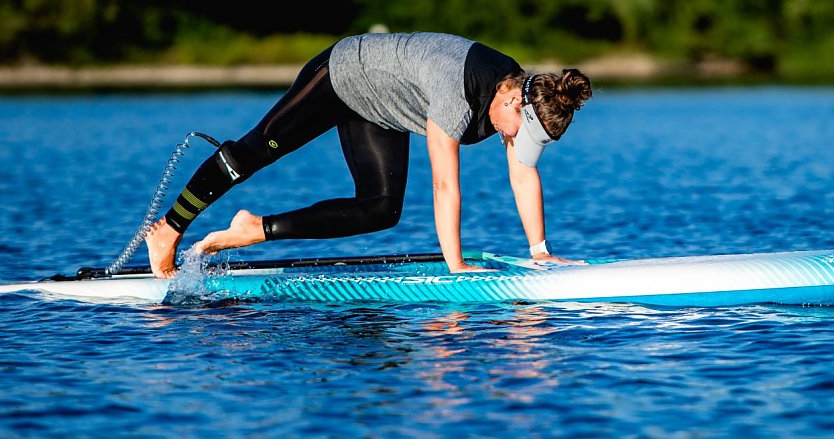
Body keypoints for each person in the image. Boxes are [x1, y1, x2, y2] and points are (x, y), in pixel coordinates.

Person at [145, 32, 592, 279]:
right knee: (254, 152)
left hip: (382, 107)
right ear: (515, 103)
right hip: (343, 74)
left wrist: (541, 252)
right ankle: (169, 227)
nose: (513, 142)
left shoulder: (517, 94)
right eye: (519, 133)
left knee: (380, 209)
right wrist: (455, 266)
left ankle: (253, 228)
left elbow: (523, 172)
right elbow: (443, 185)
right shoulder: (456, 93)